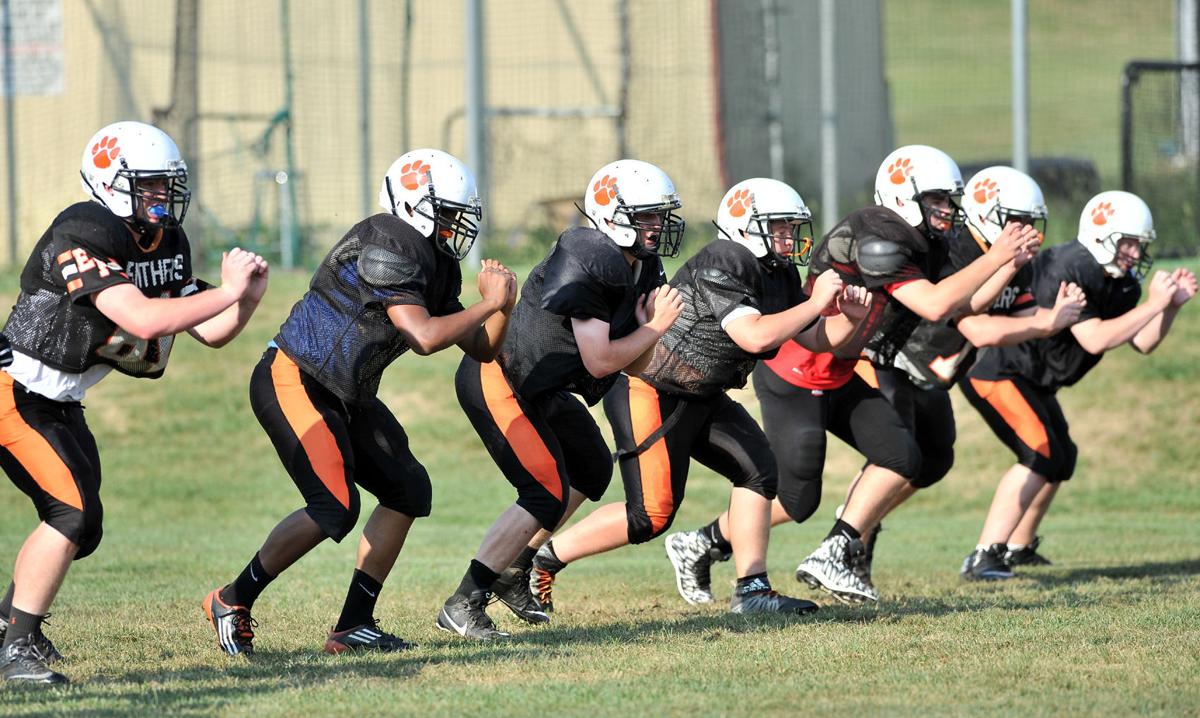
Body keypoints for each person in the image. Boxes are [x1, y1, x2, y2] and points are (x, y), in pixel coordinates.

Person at [662, 145, 1038, 605]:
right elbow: (935, 305)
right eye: (937, 198)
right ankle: (701, 543)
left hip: (842, 366)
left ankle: (835, 553)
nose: (947, 208)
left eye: (948, 198)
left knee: (904, 456)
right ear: (904, 197)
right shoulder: (879, 236)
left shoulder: (921, 240)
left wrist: (1007, 264)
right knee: (797, 500)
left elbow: (963, 304)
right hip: (798, 371)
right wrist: (997, 257)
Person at [203, 149, 516, 655]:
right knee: (335, 506)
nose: (455, 226)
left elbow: (481, 348)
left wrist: (504, 308)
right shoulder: (389, 239)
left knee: (408, 490)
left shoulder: (433, 260)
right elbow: (423, 336)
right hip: (296, 378)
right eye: (447, 214)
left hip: (347, 393)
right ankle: (232, 598)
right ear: (412, 206)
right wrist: (490, 303)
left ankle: (353, 625)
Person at [0, 121, 268, 684]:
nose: (160, 196)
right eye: (147, 184)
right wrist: (225, 290)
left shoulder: (166, 240)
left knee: (84, 526)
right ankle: (16, 647)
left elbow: (210, 332)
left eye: (165, 184)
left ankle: (8, 622)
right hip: (14, 389)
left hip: (60, 399)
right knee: (70, 513)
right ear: (110, 182)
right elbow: (143, 319)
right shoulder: (81, 229)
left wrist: (243, 302)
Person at [529, 178, 872, 615]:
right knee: (650, 515)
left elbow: (817, 339)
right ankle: (545, 558)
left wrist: (850, 319)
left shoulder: (777, 271)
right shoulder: (725, 258)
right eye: (779, 227)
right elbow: (753, 335)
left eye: (791, 226)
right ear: (746, 227)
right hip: (650, 388)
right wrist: (815, 302)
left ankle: (752, 590)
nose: (789, 236)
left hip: (702, 393)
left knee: (759, 471)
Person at [438, 159, 684, 640]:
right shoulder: (590, 257)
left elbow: (632, 364)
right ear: (612, 215)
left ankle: (514, 568)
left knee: (591, 466)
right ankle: (464, 600)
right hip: (500, 377)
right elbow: (600, 360)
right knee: (544, 491)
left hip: (541, 387)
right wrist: (655, 326)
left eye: (660, 215)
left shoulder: (642, 265)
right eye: (646, 215)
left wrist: (647, 329)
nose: (657, 226)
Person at [824, 166, 1088, 589]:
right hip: (899, 360)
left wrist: (1053, 314)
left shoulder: (1008, 258)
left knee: (932, 462)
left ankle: (857, 529)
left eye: (1028, 222)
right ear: (989, 215)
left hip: (935, 373)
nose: (1024, 231)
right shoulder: (958, 246)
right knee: (883, 460)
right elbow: (972, 323)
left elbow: (1013, 312)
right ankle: (844, 542)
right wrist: (1043, 320)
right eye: (1015, 220)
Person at [958, 190, 1196, 579]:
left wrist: (1169, 308)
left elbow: (1142, 342)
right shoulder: (1069, 266)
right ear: (1102, 235)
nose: (1135, 253)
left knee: (1062, 457)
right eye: (1128, 242)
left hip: (1033, 379)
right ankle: (984, 554)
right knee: (1041, 453)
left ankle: (1018, 547)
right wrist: (1154, 305)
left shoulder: (1120, 282)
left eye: (1139, 244)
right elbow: (1095, 339)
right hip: (998, 370)